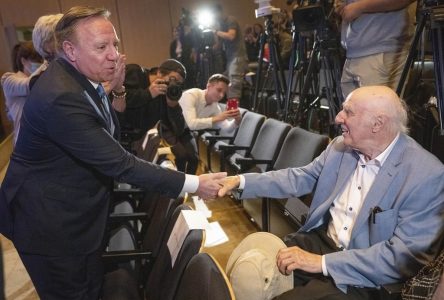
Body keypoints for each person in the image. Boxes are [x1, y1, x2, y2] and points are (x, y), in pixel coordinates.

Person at [0, 6, 225, 300]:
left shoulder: (79, 77)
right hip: (50, 227)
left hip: (73, 214)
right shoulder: (61, 95)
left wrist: (114, 88)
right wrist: (196, 184)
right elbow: (120, 163)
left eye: (115, 44)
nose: (112, 54)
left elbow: (110, 132)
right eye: (101, 47)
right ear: (70, 50)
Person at [219, 85, 444, 299]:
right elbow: (299, 178)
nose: (337, 117)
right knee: (251, 269)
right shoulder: (340, 147)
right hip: (321, 241)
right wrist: (239, 181)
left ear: (377, 124)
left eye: (348, 112)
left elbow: (401, 258)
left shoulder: (427, 174)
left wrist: (321, 263)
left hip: (363, 275)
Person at [31, 13, 127, 113]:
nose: (114, 55)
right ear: (46, 45)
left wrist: (118, 89)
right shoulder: (46, 82)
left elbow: (113, 121)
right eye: (101, 46)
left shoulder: (86, 70)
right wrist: (108, 87)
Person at [119, 60, 199, 174]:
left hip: (134, 143)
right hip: (114, 135)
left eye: (178, 84)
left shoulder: (164, 96)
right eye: (173, 79)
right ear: (160, 73)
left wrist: (173, 106)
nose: (174, 85)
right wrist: (148, 93)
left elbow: (178, 129)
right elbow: (113, 96)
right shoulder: (135, 73)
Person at [335, 0, 417, 98]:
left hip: (381, 50)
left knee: (377, 110)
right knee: (356, 111)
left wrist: (361, 6)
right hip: (354, 53)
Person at [1, 41, 43, 144]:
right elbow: (27, 85)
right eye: (36, 60)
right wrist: (47, 63)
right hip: (25, 142)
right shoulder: (9, 79)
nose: (40, 64)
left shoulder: (40, 79)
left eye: (41, 60)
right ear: (23, 61)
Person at [213, 4, 248, 101]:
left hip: (237, 57)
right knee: (223, 84)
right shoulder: (220, 25)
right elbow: (218, 46)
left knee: (233, 88)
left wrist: (216, 32)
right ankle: (230, 112)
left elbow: (231, 36)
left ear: (219, 12)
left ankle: (233, 113)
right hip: (230, 60)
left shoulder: (230, 20)